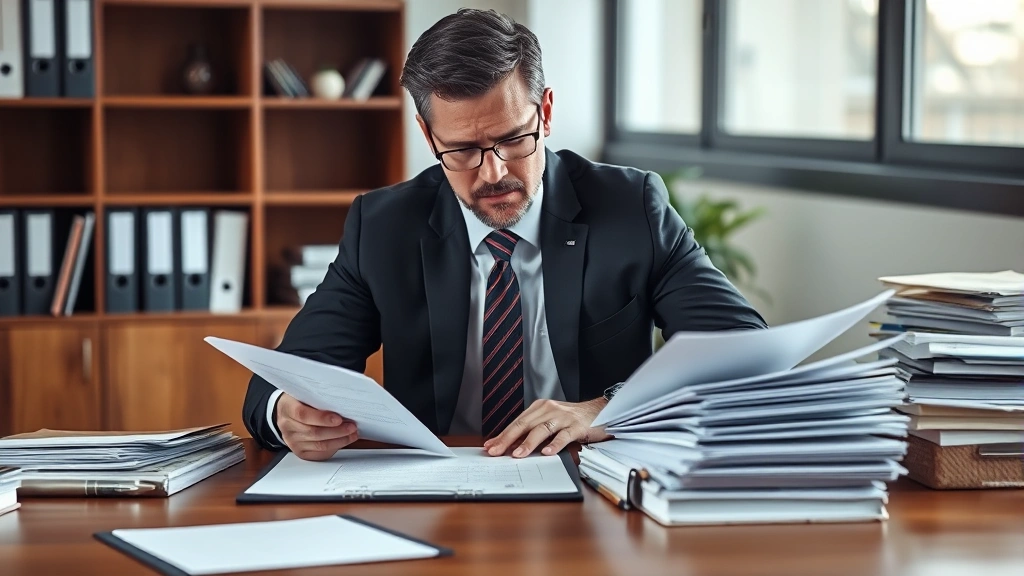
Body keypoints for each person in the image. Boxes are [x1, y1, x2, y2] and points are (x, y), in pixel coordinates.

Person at [242, 8, 767, 461]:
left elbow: (745, 353)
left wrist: (608, 408)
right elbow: (280, 379)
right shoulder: (383, 226)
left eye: (514, 139)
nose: (493, 174)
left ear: (546, 112)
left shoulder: (631, 208)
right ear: (428, 136)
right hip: (436, 485)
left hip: (594, 482)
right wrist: (287, 413)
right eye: (463, 150)